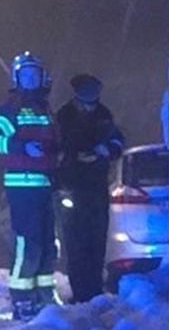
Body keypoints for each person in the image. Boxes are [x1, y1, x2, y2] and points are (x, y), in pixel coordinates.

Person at [0, 51, 61, 319]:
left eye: (35, 74)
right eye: (26, 74)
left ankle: (43, 295)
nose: (31, 79)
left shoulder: (45, 110)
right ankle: (21, 300)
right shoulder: (10, 109)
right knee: (27, 241)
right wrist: (22, 147)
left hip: (44, 184)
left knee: (46, 242)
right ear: (17, 78)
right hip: (22, 185)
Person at [54, 73, 125, 303]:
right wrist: (75, 158)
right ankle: (80, 289)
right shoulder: (64, 116)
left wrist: (106, 150)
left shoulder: (103, 114)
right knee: (75, 239)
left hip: (96, 186)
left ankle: (95, 289)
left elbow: (118, 141)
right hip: (72, 186)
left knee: (96, 237)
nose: (91, 99)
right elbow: (56, 147)